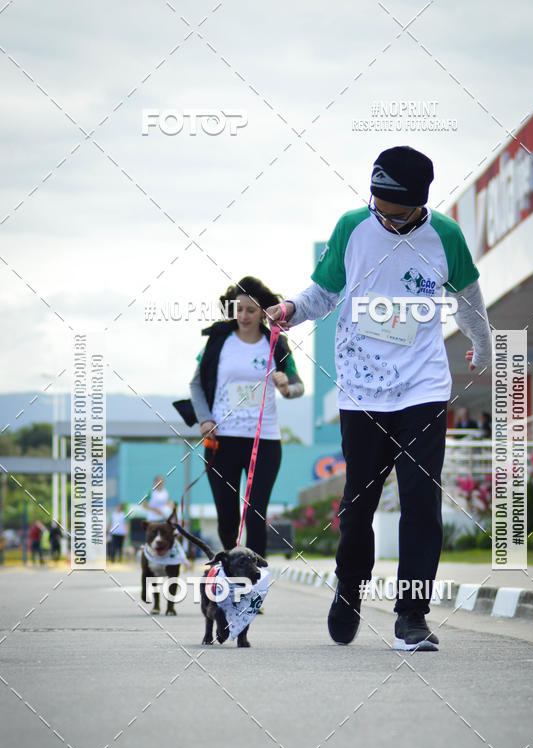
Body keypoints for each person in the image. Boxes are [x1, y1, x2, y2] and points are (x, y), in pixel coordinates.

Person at [267, 145, 492, 651]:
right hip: (362, 392)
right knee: (358, 506)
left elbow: (468, 300)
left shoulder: (446, 236)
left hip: (424, 390)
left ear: (419, 205)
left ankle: (412, 615)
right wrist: (289, 309)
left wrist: (483, 345)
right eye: (376, 206)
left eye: (393, 214)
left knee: (420, 503)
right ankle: (349, 591)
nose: (382, 218)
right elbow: (322, 294)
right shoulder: (352, 227)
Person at [189, 276, 304, 559]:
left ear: (263, 312)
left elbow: (299, 386)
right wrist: (204, 419)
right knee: (227, 518)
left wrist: (286, 387)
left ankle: (255, 585)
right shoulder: (218, 342)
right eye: (238, 309)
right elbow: (195, 385)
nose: (244, 316)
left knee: (255, 515)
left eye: (251, 310)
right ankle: (231, 577)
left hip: (263, 441)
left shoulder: (276, 343)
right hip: (222, 441)